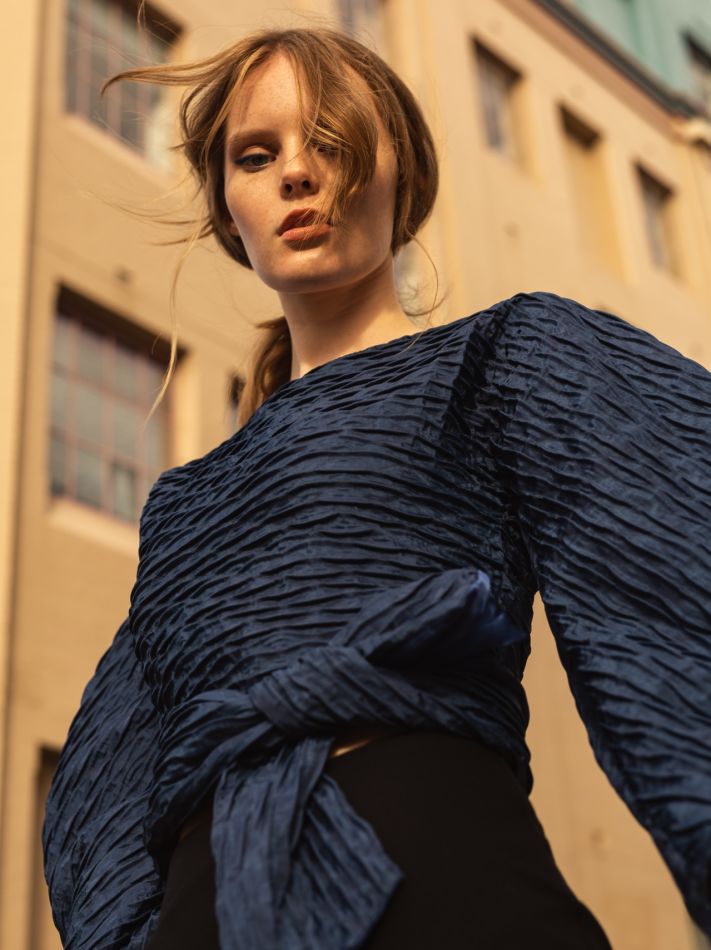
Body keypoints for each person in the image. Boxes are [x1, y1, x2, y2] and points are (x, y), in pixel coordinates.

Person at [42, 25, 711, 950]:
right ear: (228, 209)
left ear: (403, 170)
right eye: (255, 155)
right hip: (213, 908)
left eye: (331, 138)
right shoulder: (185, 504)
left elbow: (677, 591)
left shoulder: (502, 359)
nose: (296, 172)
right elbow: (99, 799)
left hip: (442, 876)